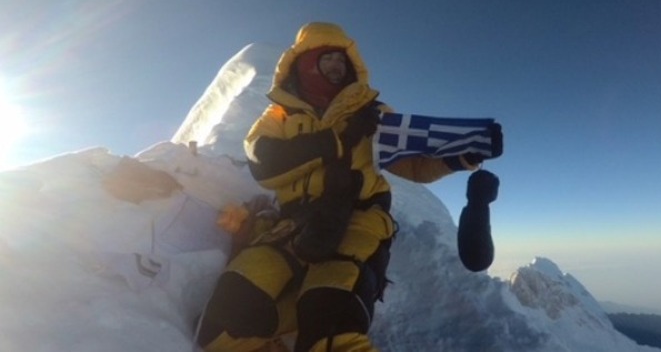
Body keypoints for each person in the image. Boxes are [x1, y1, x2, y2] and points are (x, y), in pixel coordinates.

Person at [196, 22, 502, 352]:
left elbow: (413, 164)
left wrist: (461, 157)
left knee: (332, 327)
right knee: (221, 327)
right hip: (291, 226)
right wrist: (336, 141)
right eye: (327, 58)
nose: (336, 67)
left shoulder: (372, 115)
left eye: (342, 62)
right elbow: (264, 162)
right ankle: (300, 315)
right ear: (305, 62)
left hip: (359, 221)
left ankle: (312, 316)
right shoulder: (278, 116)